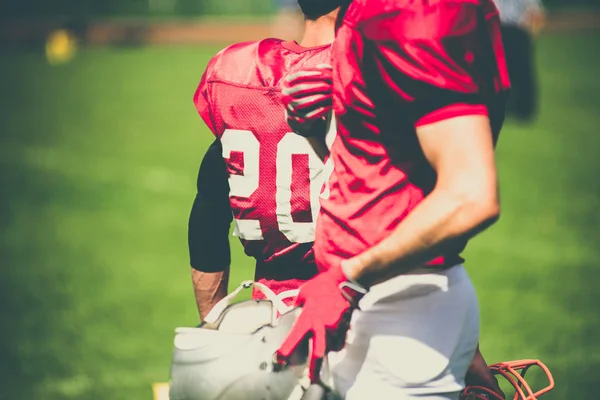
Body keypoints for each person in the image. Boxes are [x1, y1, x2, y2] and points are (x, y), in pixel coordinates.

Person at [276, 0, 512, 399]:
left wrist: (347, 280)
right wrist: (321, 129)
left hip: (396, 310)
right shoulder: (377, 10)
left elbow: (471, 194)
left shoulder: (410, 10)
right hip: (380, 301)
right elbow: (389, 183)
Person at [188, 0, 341, 320]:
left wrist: (212, 322)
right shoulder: (377, 75)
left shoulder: (237, 72)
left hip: (275, 312)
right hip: (369, 310)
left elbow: (210, 206)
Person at [494, 0, 546, 121]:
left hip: (517, 30)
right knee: (503, 71)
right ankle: (510, 107)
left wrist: (532, 33)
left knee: (522, 71)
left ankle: (524, 109)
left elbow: (536, 12)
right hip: (502, 29)